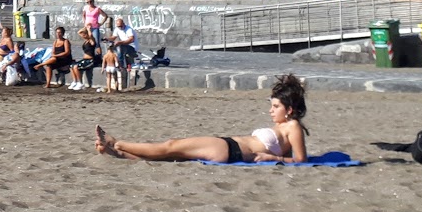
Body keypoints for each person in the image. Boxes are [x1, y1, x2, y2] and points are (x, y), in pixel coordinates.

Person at [94, 74, 310, 164]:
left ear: (289, 109)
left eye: (276, 106)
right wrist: (278, 157)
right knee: (173, 156)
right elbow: (289, 155)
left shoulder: (293, 127)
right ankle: (120, 154)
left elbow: (301, 161)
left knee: (171, 146)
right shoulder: (283, 126)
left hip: (230, 149)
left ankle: (117, 142)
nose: (271, 111)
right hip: (229, 148)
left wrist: (273, 159)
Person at [109, 17, 138, 89]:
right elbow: (113, 37)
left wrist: (120, 42)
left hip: (132, 47)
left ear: (124, 24)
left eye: (121, 26)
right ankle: (117, 63)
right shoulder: (117, 29)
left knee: (120, 46)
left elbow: (131, 40)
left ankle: (120, 64)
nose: (120, 28)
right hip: (123, 46)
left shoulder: (128, 29)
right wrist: (107, 39)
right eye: (118, 26)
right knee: (115, 46)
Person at [70, 27, 100, 91]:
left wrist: (89, 29)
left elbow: (91, 36)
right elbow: (79, 32)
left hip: (90, 60)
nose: (83, 36)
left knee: (76, 67)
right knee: (71, 66)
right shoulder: (85, 42)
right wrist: (85, 27)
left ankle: (80, 83)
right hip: (84, 59)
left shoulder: (91, 41)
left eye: (84, 34)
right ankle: (75, 81)